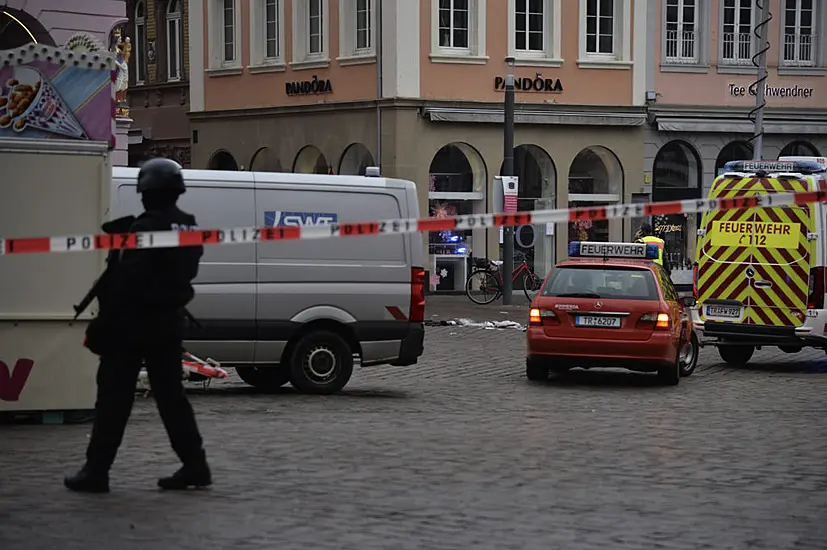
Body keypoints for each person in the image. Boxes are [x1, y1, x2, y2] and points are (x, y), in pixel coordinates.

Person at [64, 158, 210, 493]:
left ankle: (96, 470)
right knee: (173, 399)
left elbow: (127, 281)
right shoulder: (187, 226)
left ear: (147, 191)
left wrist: (104, 323)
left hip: (133, 325)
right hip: (167, 323)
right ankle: (195, 465)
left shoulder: (146, 228)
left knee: (113, 400)